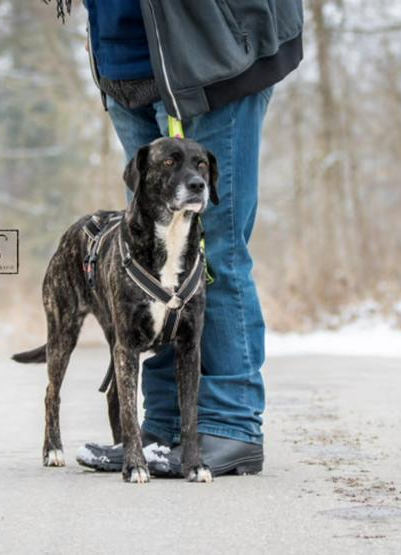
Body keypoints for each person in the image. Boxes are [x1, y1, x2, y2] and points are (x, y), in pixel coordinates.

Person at [51, 0, 304, 477]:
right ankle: (163, 428)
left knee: (218, 249)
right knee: (149, 252)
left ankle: (233, 427)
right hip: (126, 66)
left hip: (214, 56)